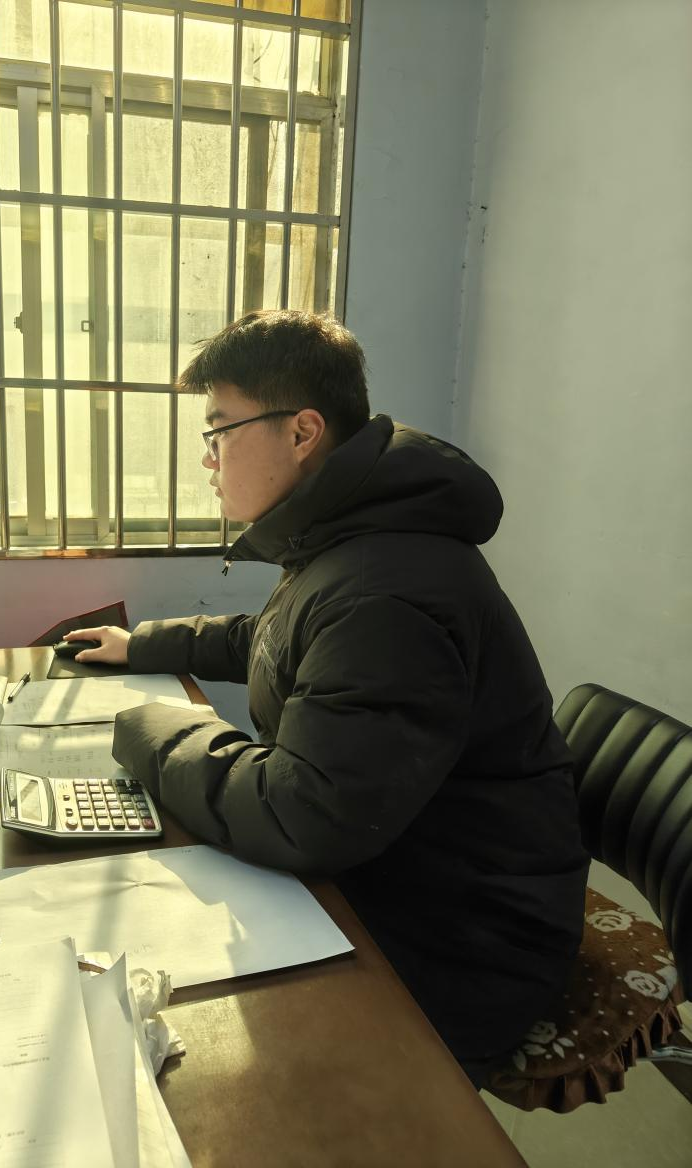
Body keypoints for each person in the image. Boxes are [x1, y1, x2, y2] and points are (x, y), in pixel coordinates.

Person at [72, 309, 589, 1086]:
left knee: (185, 1037)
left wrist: (150, 730)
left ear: (301, 431)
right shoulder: (357, 537)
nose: (207, 457)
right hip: (402, 873)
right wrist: (144, 644)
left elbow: (301, 815)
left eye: (218, 430)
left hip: (460, 943)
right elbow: (281, 640)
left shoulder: (387, 591)